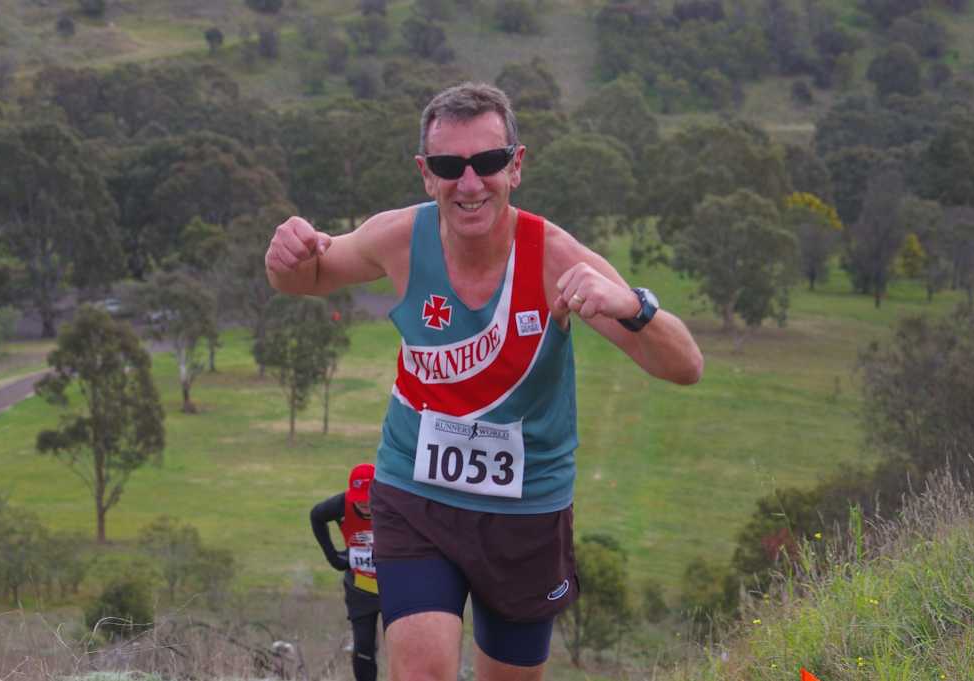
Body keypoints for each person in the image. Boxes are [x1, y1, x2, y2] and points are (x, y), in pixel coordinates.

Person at [269, 82, 704, 681]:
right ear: (427, 174)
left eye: (489, 162)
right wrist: (284, 258)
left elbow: (685, 366)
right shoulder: (398, 238)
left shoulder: (555, 258)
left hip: (525, 511)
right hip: (415, 493)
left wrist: (631, 304)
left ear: (515, 166)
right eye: (450, 166)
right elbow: (308, 278)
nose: (470, 184)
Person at [310, 463, 380, 681]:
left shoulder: (394, 505)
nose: (364, 503)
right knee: (363, 647)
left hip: (395, 587)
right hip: (360, 587)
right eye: (359, 498)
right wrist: (334, 557)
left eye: (368, 498)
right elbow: (316, 516)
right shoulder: (341, 505)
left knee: (404, 644)